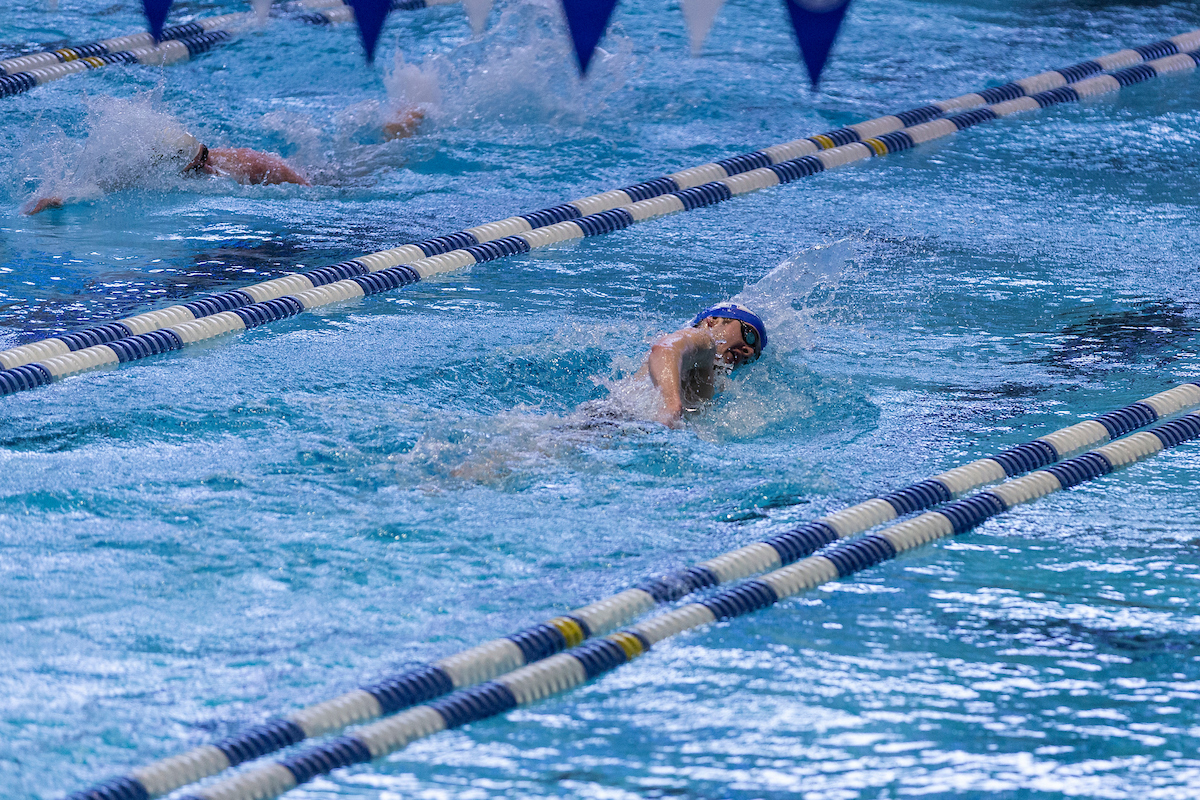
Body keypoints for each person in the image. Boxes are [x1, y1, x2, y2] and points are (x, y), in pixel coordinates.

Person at [23, 130, 309, 215]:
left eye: (205, 156)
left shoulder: (249, 164)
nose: (208, 167)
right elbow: (101, 184)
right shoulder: (148, 172)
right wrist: (59, 198)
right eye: (197, 168)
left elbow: (303, 186)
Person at [636, 302, 768, 426]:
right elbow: (664, 349)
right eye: (749, 335)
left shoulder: (714, 378)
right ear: (712, 322)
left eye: (754, 355)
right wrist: (671, 407)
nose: (749, 351)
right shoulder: (706, 341)